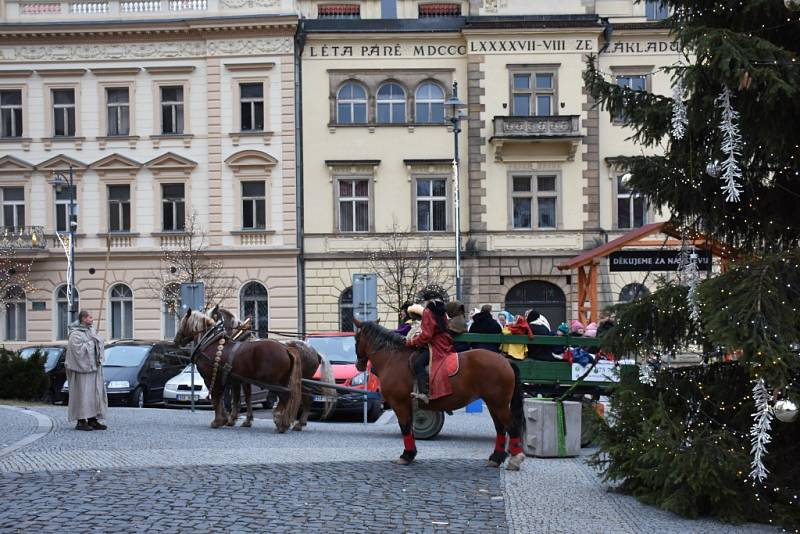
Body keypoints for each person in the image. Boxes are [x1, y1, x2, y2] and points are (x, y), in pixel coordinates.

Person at [65, 309, 108, 431]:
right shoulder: (75, 334)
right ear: (83, 319)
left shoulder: (91, 331)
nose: (92, 319)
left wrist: (98, 341)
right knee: (83, 395)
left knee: (95, 395)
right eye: (89, 317)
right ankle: (81, 421)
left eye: (92, 317)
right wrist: (92, 343)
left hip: (94, 369)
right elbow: (77, 351)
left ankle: (93, 419)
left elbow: (96, 345)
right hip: (82, 370)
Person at [405, 300, 454, 403]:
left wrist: (412, 342)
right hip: (444, 342)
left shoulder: (428, 311)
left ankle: (424, 393)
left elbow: (427, 335)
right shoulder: (442, 310)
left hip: (435, 345)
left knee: (418, 363)